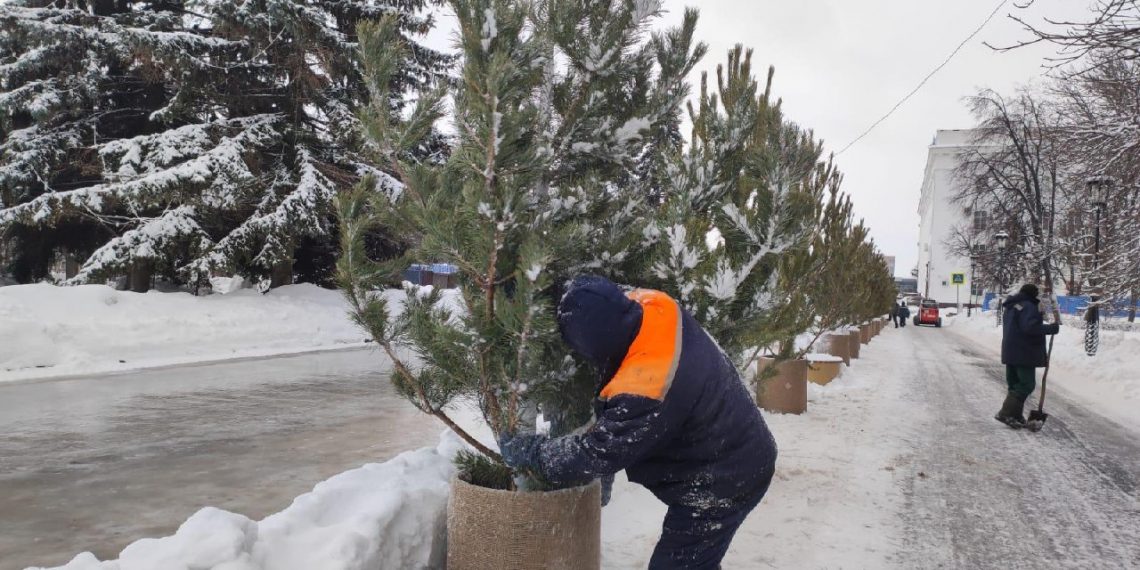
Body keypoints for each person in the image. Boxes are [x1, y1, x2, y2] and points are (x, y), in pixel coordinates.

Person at [498, 275, 778, 569]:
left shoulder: (648, 386)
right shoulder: (650, 305)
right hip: (733, 441)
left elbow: (595, 454)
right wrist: (521, 285)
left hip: (727, 477)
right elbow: (586, 294)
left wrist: (533, 453)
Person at [996, 283, 1060, 429]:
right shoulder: (1029, 306)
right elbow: (1029, 327)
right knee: (1026, 384)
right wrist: (1051, 328)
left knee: (1014, 384)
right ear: (1033, 294)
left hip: (1010, 350)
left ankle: (1015, 415)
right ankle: (1006, 413)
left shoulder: (1011, 306)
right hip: (1024, 351)